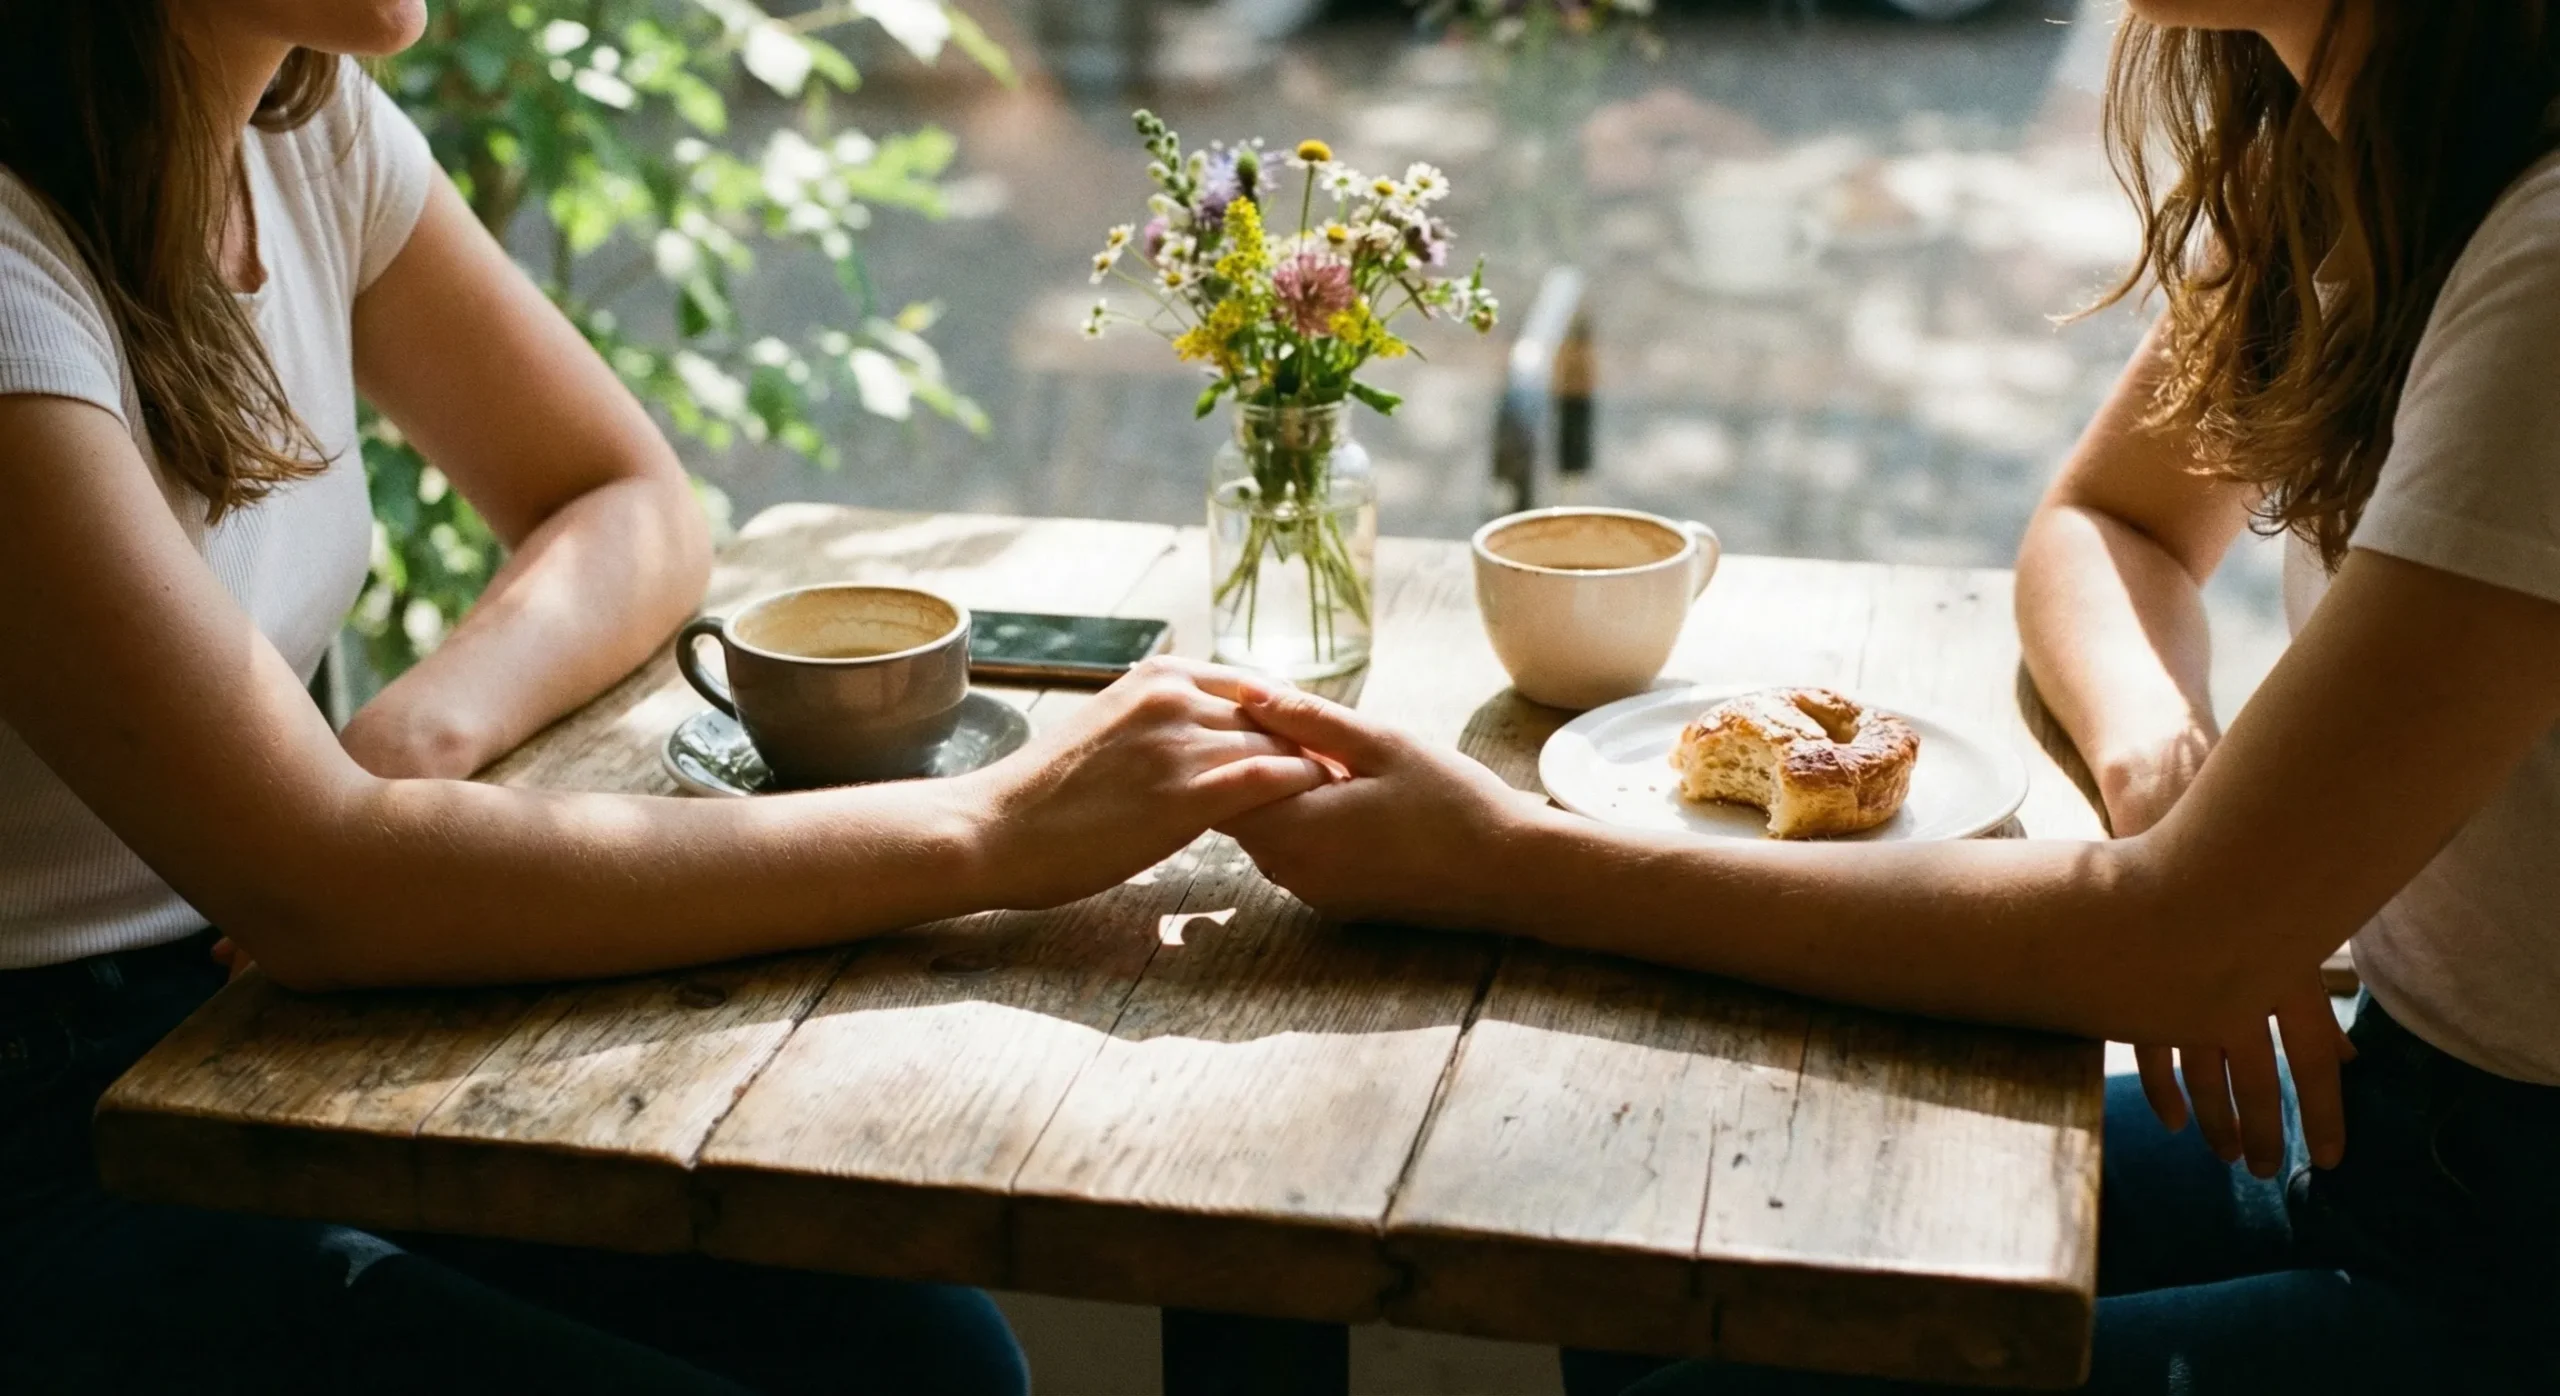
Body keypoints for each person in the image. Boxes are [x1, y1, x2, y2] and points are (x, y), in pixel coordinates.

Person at [1219, 2, 2560, 1392]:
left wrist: (1499, 862)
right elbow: (2113, 523)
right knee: (1643, 1271)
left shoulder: (2541, 257)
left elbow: (2175, 940)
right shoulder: (2346, 158)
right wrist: (2173, 768)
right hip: (2390, 1128)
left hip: (2513, 1260)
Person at [0, 3, 1333, 1391]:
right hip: (47, 1121)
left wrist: (413, 740)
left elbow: (622, 497)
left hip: (255, 1010)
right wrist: (991, 830)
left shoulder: (301, 125)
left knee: (930, 1364)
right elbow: (323, 890)